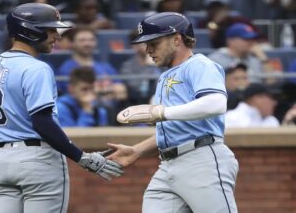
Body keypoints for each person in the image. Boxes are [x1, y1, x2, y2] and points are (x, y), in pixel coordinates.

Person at [0, 3, 123, 213]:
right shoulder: (37, 68)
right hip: (38, 162)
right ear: (30, 31)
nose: (57, 36)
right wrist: (82, 157)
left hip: (0, 164)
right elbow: (42, 122)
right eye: (50, 30)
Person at [107, 12, 239, 213]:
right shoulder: (166, 75)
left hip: (202, 160)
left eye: (154, 43)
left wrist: (161, 112)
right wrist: (138, 150)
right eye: (146, 44)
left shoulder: (199, 64)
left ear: (176, 39)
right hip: (168, 165)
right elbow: (175, 125)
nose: (148, 50)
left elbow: (216, 103)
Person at [208, 23, 274, 83]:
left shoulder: (256, 59)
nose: (251, 42)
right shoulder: (215, 60)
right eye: (246, 39)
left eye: (252, 39)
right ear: (231, 41)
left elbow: (271, 82)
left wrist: (263, 58)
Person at [120, 29, 161, 105]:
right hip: (139, 103)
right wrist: (149, 67)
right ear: (134, 46)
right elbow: (138, 88)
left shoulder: (162, 61)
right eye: (144, 43)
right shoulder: (127, 66)